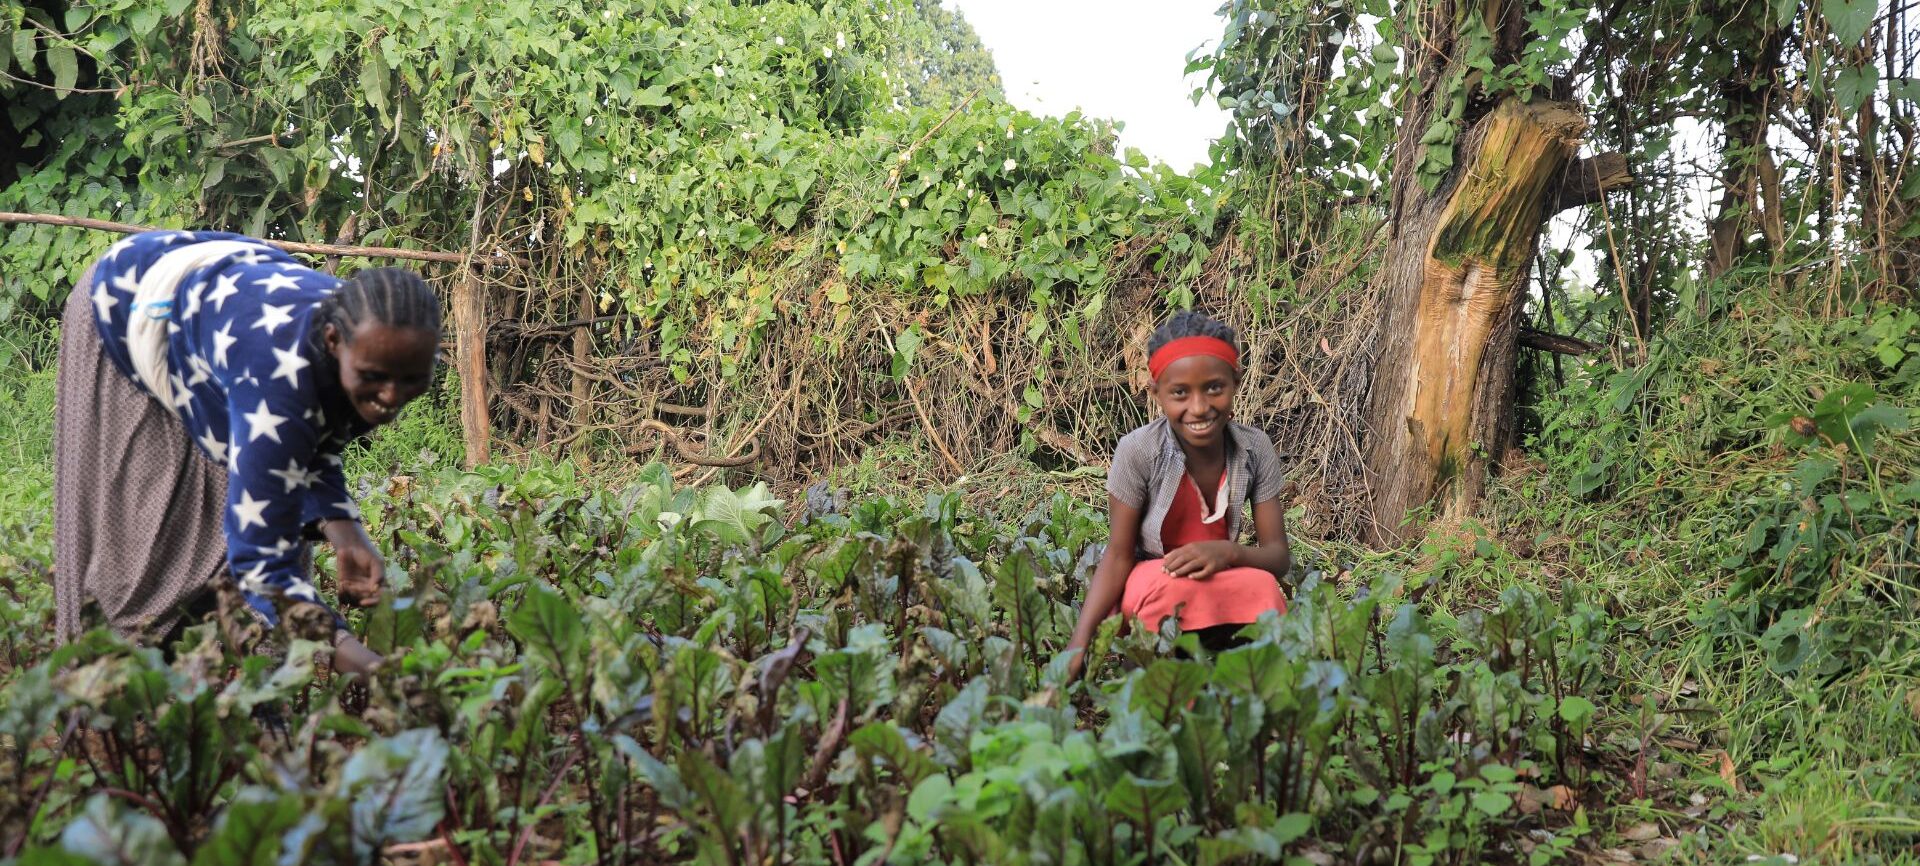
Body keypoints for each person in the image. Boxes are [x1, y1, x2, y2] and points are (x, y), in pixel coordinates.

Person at [53, 230, 441, 675]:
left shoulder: (375, 333)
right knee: (140, 553)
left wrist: (345, 532)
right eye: (375, 377)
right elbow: (261, 563)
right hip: (133, 298)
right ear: (333, 343)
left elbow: (314, 437)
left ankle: (250, 689)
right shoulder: (285, 382)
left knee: (260, 504)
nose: (392, 397)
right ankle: (109, 697)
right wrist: (358, 659)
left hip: (226, 304)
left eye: (412, 380)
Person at [1064, 311, 1292, 677]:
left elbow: (1278, 557)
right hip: (1155, 576)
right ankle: (1151, 672)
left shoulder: (1255, 448)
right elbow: (1119, 555)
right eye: (1180, 393)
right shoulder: (1138, 451)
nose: (1199, 407)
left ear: (1235, 381)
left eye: (1214, 388)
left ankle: (1248, 679)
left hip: (1223, 574)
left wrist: (1227, 552)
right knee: (1162, 591)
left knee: (1263, 587)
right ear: (1156, 394)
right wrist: (1078, 644)